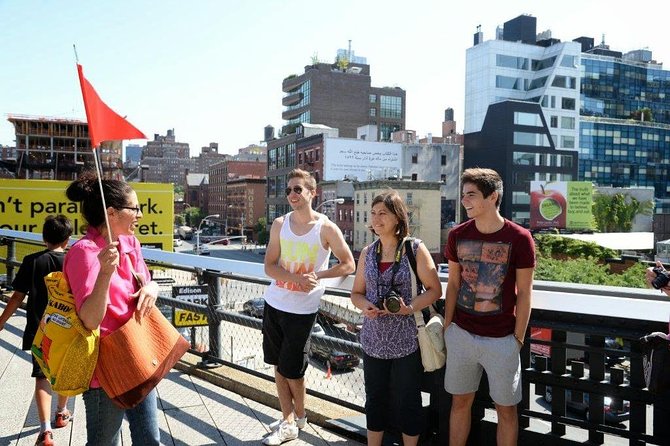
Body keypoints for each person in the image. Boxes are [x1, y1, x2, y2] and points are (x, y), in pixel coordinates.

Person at [63, 171, 160, 446]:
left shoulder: (130, 243)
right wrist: (105, 272)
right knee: (105, 442)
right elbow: (90, 320)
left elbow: (146, 281)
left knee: (149, 439)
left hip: (137, 353)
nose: (140, 215)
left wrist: (152, 288)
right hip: (105, 366)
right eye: (135, 208)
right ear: (112, 212)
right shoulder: (84, 252)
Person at [261, 169, 355, 445]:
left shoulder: (325, 228)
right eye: (289, 190)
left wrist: (317, 277)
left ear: (313, 193)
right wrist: (295, 279)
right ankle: (290, 419)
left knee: (294, 370)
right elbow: (269, 266)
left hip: (303, 311)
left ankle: (294, 420)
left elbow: (348, 263)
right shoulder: (280, 224)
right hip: (274, 303)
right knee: (278, 365)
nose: (292, 195)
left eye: (298, 189)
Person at [443, 168, 535, 446]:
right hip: (462, 334)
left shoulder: (520, 238)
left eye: (471, 195)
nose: (464, 201)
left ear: (493, 196)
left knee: (506, 410)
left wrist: (517, 339)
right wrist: (449, 327)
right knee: (459, 403)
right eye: (463, 195)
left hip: (502, 339)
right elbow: (453, 285)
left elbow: (525, 293)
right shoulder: (457, 235)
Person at [350, 190, 442, 446]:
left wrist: (408, 307)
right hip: (373, 340)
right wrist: (366, 305)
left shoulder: (414, 248)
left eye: (383, 213)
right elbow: (355, 293)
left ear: (397, 218)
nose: (376, 219)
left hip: (407, 341)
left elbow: (436, 290)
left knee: (408, 401)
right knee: (374, 399)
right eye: (373, 213)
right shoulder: (368, 252)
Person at [0, 215, 73, 446]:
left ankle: (45, 431)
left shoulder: (32, 261)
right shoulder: (73, 261)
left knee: (42, 377)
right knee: (64, 373)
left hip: (39, 329)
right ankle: (61, 413)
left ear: (44, 238)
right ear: (68, 238)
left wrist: (1, 321)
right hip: (68, 329)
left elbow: (17, 297)